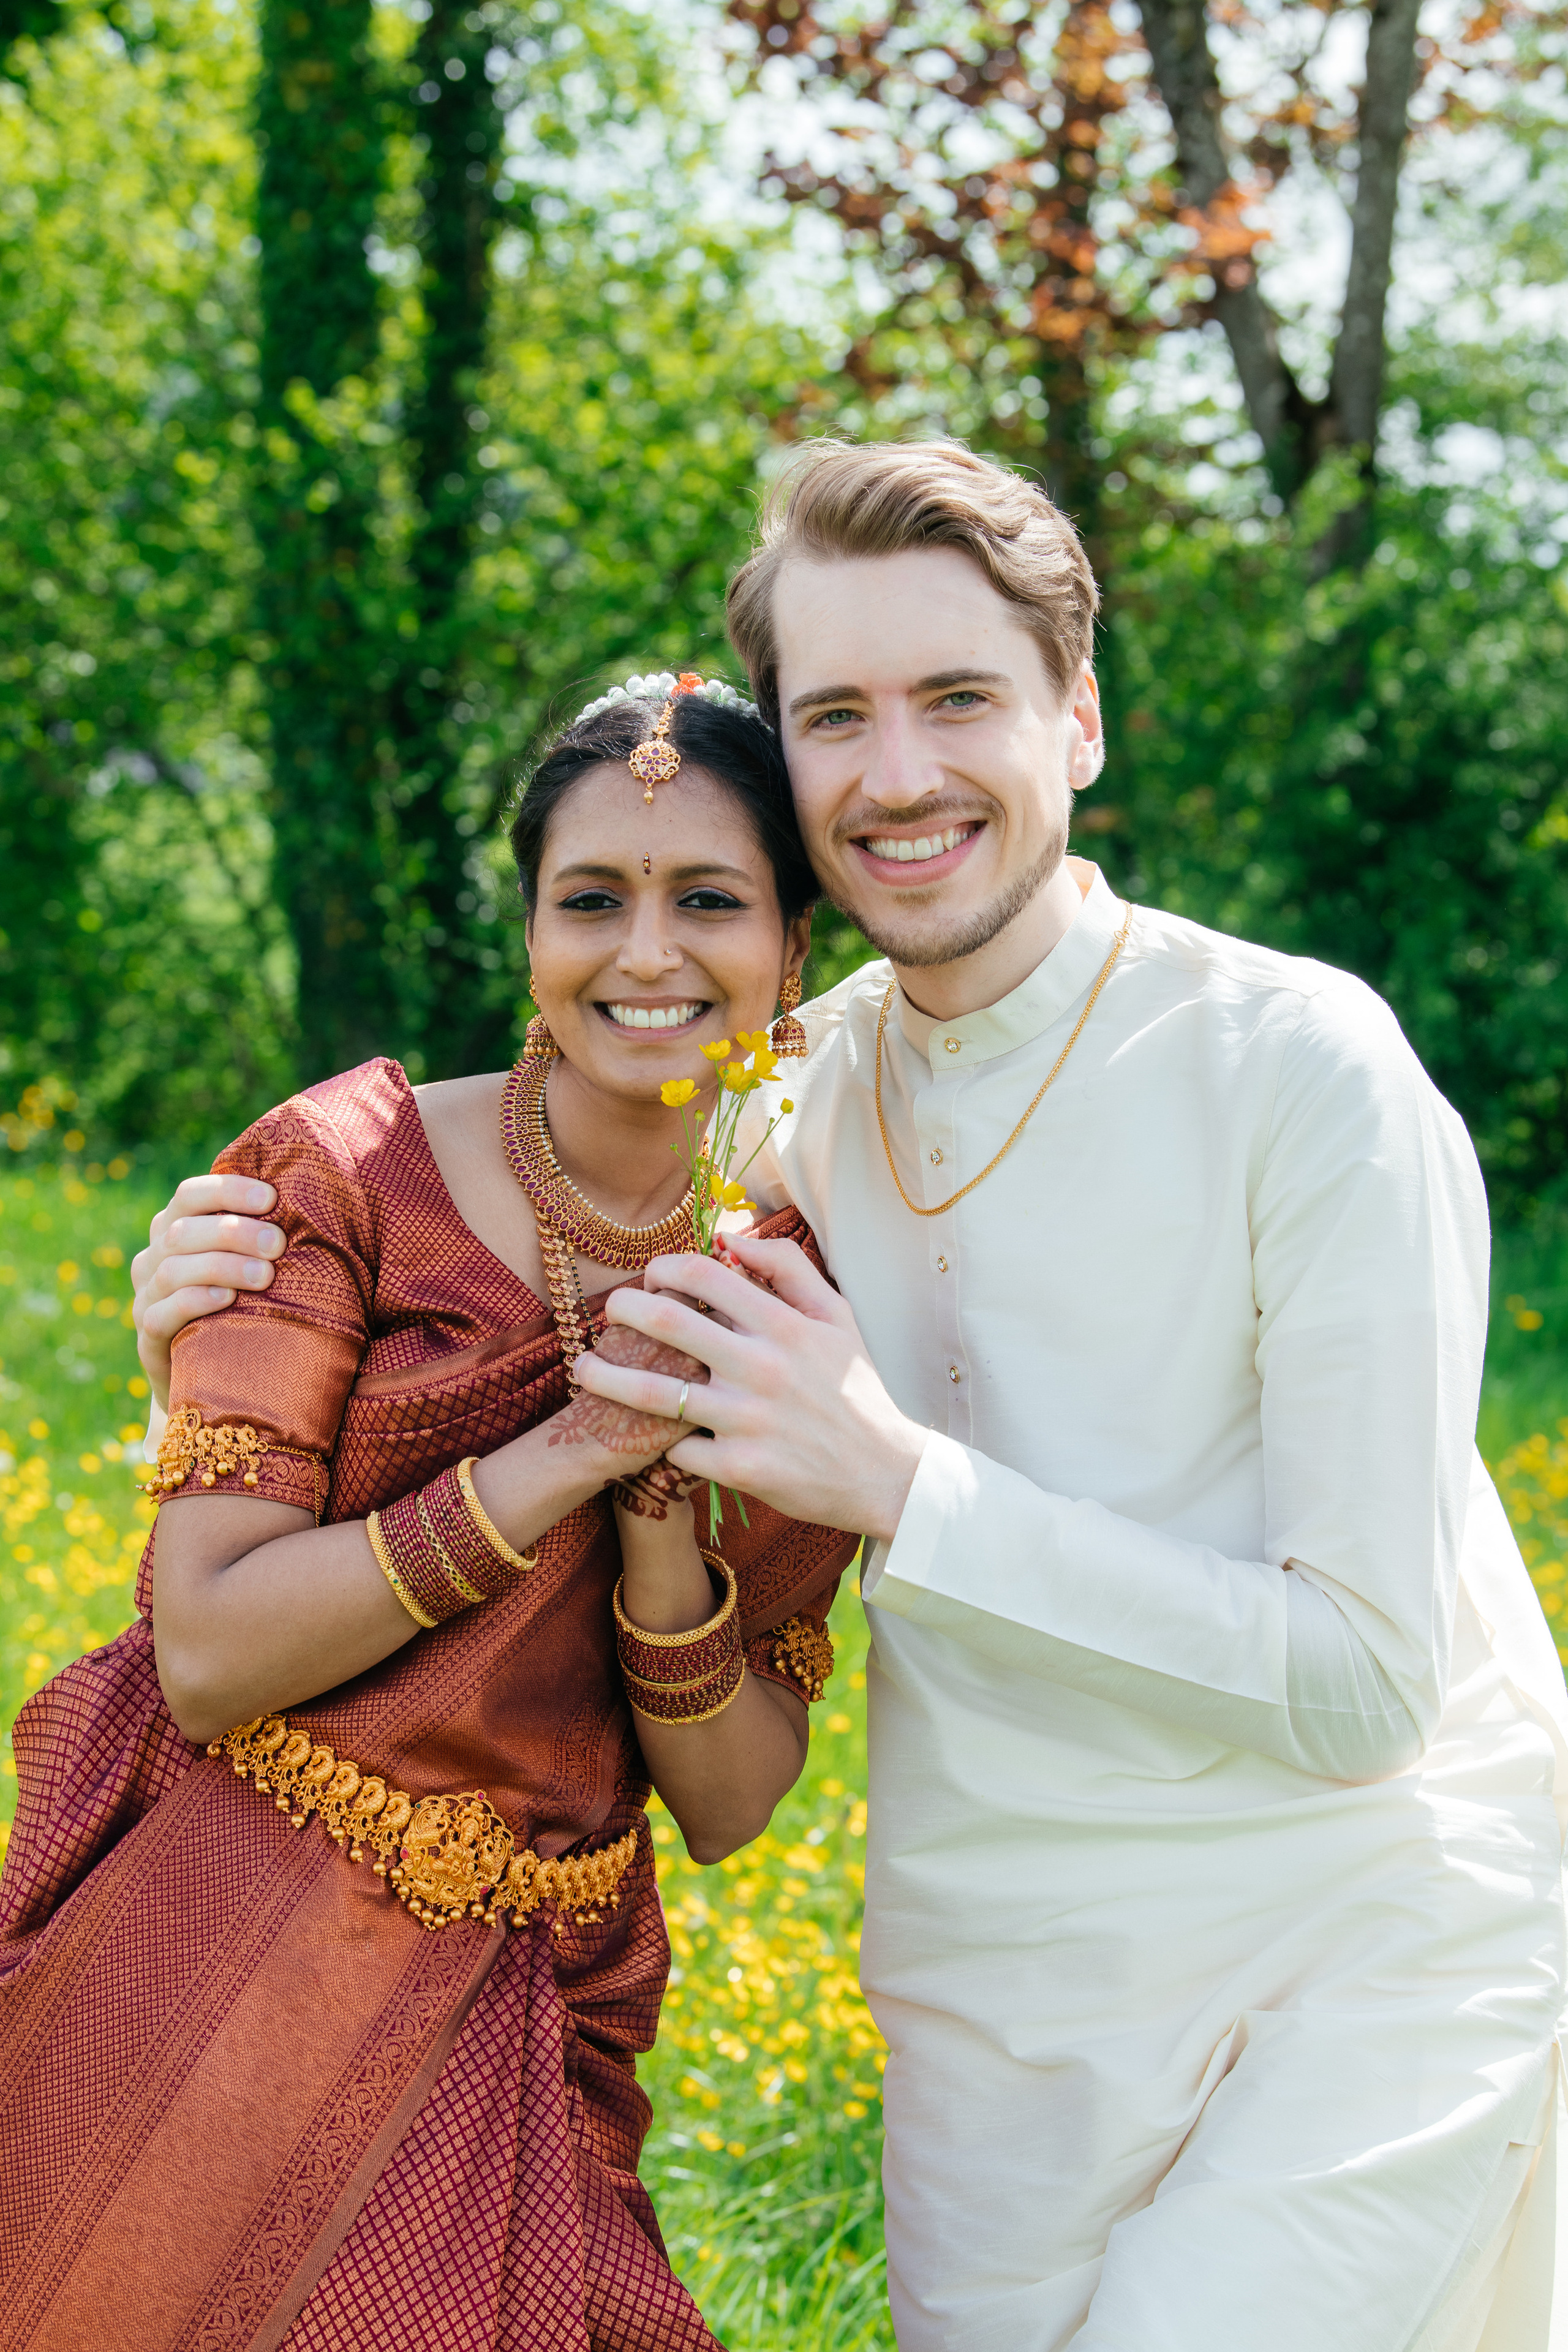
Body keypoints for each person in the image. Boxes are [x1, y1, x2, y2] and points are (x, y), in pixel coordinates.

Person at [129, 441, 1568, 2350]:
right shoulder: (779, 1096)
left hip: (1368, 1948)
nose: (896, 774)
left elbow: (1372, 1685)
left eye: (959, 699)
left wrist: (903, 1485)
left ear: (1079, 721)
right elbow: (506, 1197)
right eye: (836, 717)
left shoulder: (1304, 1072)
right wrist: (216, 1290)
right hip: (1000, 1991)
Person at [0, 675, 856, 2352]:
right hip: (222, 1952)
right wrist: (563, 1456)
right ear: (529, 933)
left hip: (526, 2003)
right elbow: (210, 1651)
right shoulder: (344, 1171)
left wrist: (660, 1527)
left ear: (794, 946)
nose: (647, 953)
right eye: (591, 900)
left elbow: (736, 1801)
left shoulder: (800, 1300)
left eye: (709, 900)